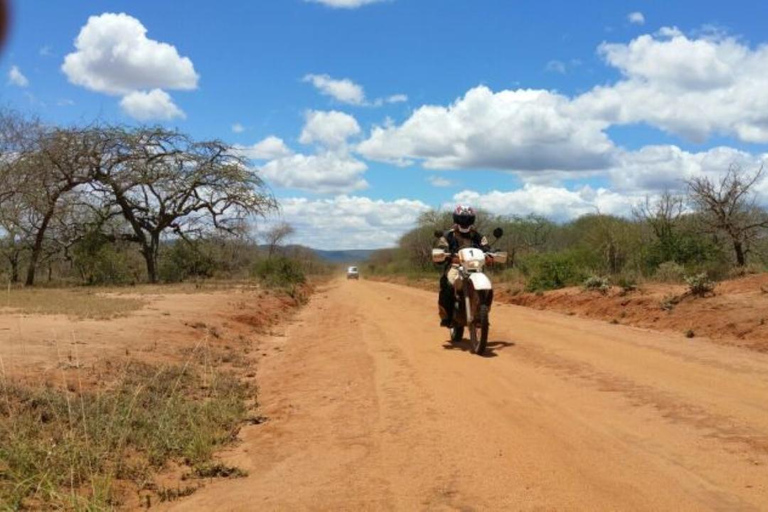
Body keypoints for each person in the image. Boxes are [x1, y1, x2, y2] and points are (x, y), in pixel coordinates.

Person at [436, 205, 490, 327]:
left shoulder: (478, 235)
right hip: (456, 267)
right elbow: (441, 248)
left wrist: (491, 253)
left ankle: (482, 315)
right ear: (456, 219)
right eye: (462, 218)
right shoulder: (448, 235)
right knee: (448, 285)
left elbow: (486, 247)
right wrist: (444, 254)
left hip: (475, 268)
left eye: (467, 218)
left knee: (487, 288)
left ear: (472, 219)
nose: (464, 221)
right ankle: (447, 316)